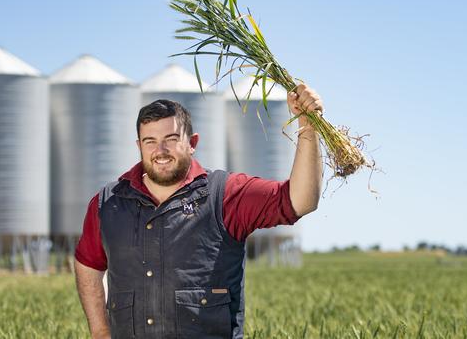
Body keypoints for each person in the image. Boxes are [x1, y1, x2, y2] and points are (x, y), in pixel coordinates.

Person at [74, 84, 323, 339]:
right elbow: (88, 264)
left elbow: (300, 201)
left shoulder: (226, 195)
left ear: (192, 143)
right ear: (139, 145)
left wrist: (308, 127)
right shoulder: (109, 202)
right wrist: (100, 331)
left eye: (171, 140)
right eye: (150, 141)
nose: (160, 151)